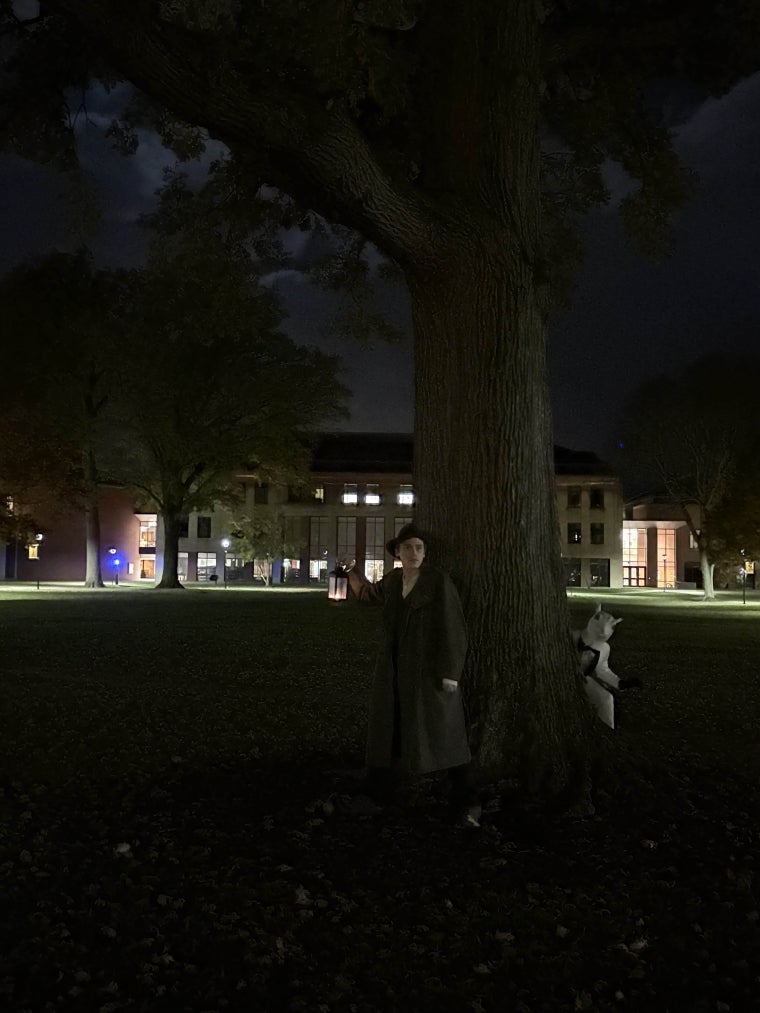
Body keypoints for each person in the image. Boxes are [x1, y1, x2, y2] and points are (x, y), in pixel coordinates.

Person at [344, 522, 480, 826]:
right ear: (398, 553)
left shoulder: (438, 582)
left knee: (445, 733)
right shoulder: (393, 581)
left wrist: (450, 672)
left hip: (428, 672)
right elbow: (367, 594)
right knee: (388, 731)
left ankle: (467, 800)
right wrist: (351, 572)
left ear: (425, 553)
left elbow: (453, 627)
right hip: (394, 671)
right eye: (407, 547)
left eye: (419, 548)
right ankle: (377, 793)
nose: (413, 553)